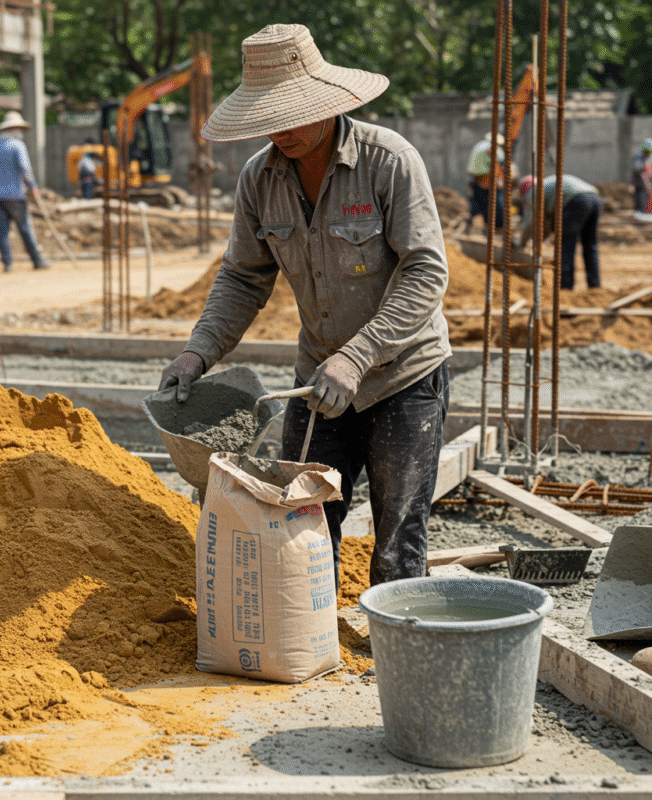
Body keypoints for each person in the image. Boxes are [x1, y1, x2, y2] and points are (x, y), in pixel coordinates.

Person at [158, 24, 451, 590]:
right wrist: (197, 354)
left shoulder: (388, 161)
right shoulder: (258, 180)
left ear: (325, 102)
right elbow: (243, 278)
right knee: (302, 528)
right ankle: (307, 646)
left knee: (396, 542)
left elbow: (425, 271)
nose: (282, 131)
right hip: (317, 385)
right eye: (269, 119)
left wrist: (357, 356)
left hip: (402, 379)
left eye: (291, 114)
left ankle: (395, 660)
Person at [0, 110, 49, 272]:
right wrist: (33, 187)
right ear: (15, 129)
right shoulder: (18, 146)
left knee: (2, 231)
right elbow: (25, 170)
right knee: (25, 228)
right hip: (15, 196)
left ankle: (7, 264)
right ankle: (37, 260)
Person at [518, 173, 603, 290]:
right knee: (590, 245)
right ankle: (595, 285)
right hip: (595, 198)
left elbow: (529, 222)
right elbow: (547, 223)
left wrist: (520, 244)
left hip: (575, 201)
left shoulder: (533, 192)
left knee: (566, 246)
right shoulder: (548, 185)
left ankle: (565, 287)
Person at [464, 131, 505, 234]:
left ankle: (470, 224)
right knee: (495, 203)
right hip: (486, 179)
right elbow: (498, 163)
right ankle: (497, 226)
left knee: (477, 204)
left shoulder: (479, 145)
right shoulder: (493, 149)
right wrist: (500, 180)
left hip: (476, 179)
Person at [631, 138, 652, 213]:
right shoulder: (638, 157)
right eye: (647, 152)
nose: (648, 154)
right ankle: (639, 213)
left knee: (647, 200)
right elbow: (637, 170)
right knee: (640, 199)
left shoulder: (648, 157)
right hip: (639, 183)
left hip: (646, 184)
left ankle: (643, 212)